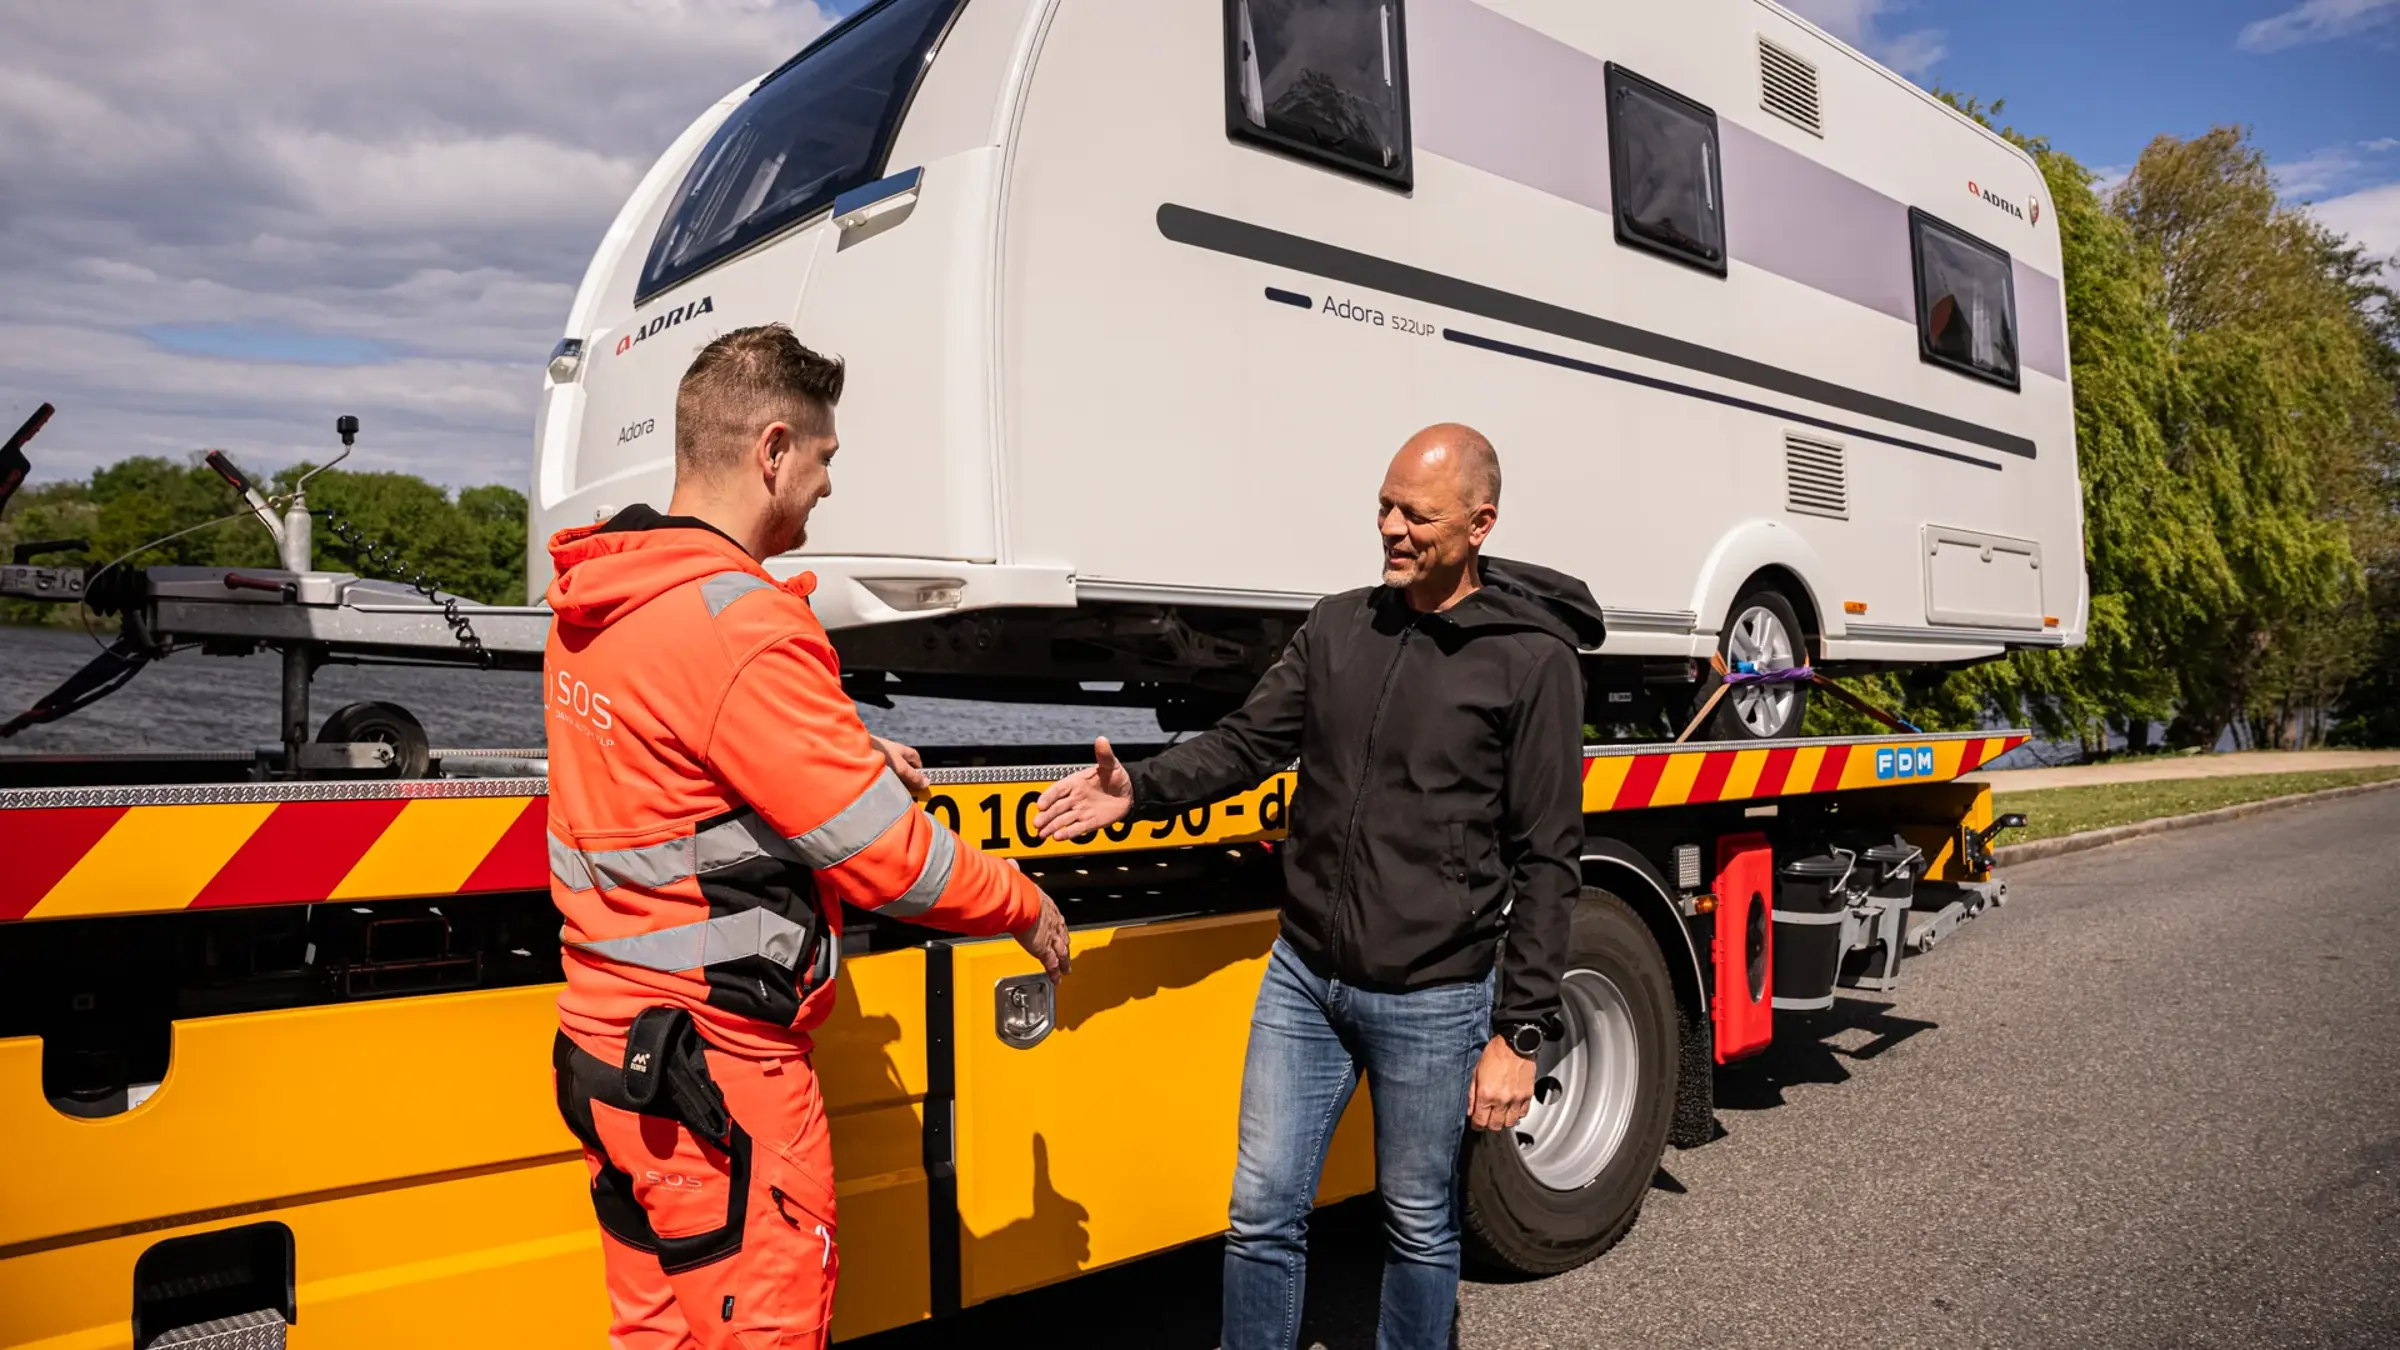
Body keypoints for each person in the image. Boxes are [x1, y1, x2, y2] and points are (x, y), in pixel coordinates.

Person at [542, 323, 1071, 1350]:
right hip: (720, 1071)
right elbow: (890, 860)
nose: (828, 487)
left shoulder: (594, 600)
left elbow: (674, 778)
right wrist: (1021, 898)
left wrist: (846, 753)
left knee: (656, 1336)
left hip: (605, 1057)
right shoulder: (743, 623)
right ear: (773, 450)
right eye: (825, 459)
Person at [1034, 424, 1602, 1350]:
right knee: (1261, 1212)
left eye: (1417, 514)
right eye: (1383, 505)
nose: (1390, 528)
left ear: (1480, 525)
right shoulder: (1340, 624)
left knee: (1418, 1226)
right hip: (1304, 979)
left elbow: (1548, 858)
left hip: (1434, 994)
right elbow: (1246, 743)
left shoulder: (1532, 662)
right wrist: (1138, 787)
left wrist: (1521, 1033)